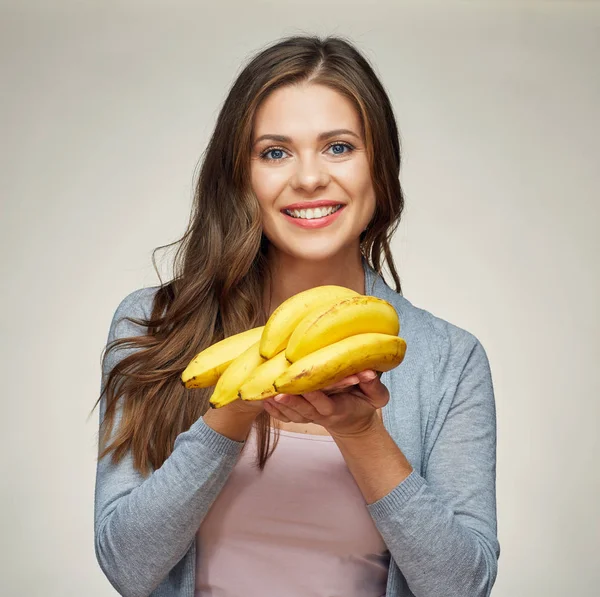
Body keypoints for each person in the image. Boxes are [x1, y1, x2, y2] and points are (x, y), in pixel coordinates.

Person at [93, 35, 499, 597]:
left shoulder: (450, 360)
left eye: (338, 147)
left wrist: (362, 434)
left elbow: (463, 587)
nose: (309, 178)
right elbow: (126, 567)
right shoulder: (154, 325)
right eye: (275, 152)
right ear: (241, 176)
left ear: (379, 170)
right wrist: (229, 417)